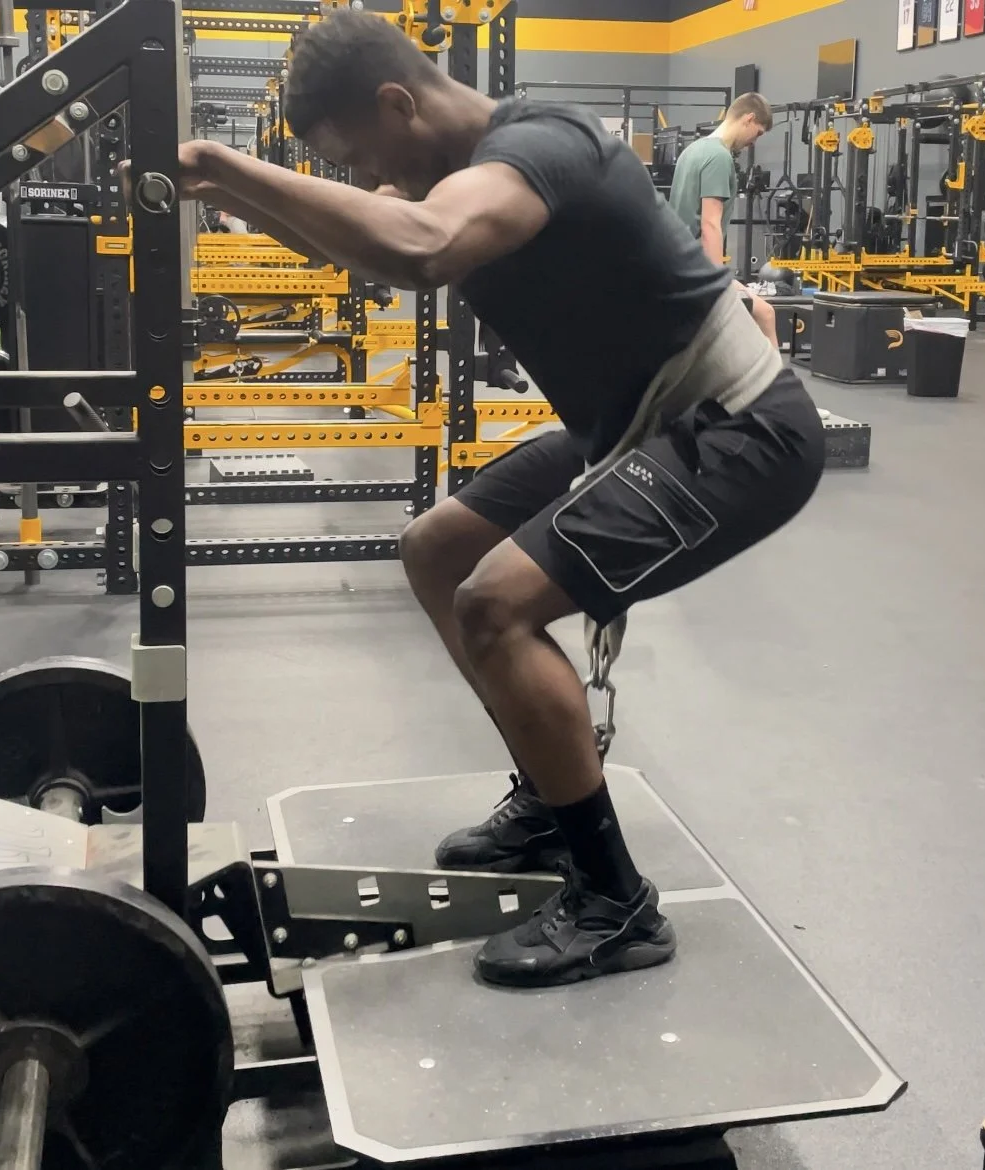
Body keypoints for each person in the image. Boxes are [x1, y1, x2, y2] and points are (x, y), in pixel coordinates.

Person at [168, 10, 825, 989]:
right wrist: (207, 185)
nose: (364, 180)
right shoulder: (450, 169)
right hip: (631, 427)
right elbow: (361, 242)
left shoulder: (540, 149)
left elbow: (425, 247)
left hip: (736, 425)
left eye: (359, 156)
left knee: (495, 605)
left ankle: (614, 902)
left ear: (400, 103)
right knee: (436, 550)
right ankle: (551, 803)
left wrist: (221, 163)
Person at [668, 94, 779, 346]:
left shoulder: (693, 150)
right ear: (748, 119)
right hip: (697, 270)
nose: (754, 142)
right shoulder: (719, 157)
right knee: (765, 315)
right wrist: (717, 283)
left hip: (680, 265)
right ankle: (771, 374)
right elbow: (710, 224)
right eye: (758, 133)